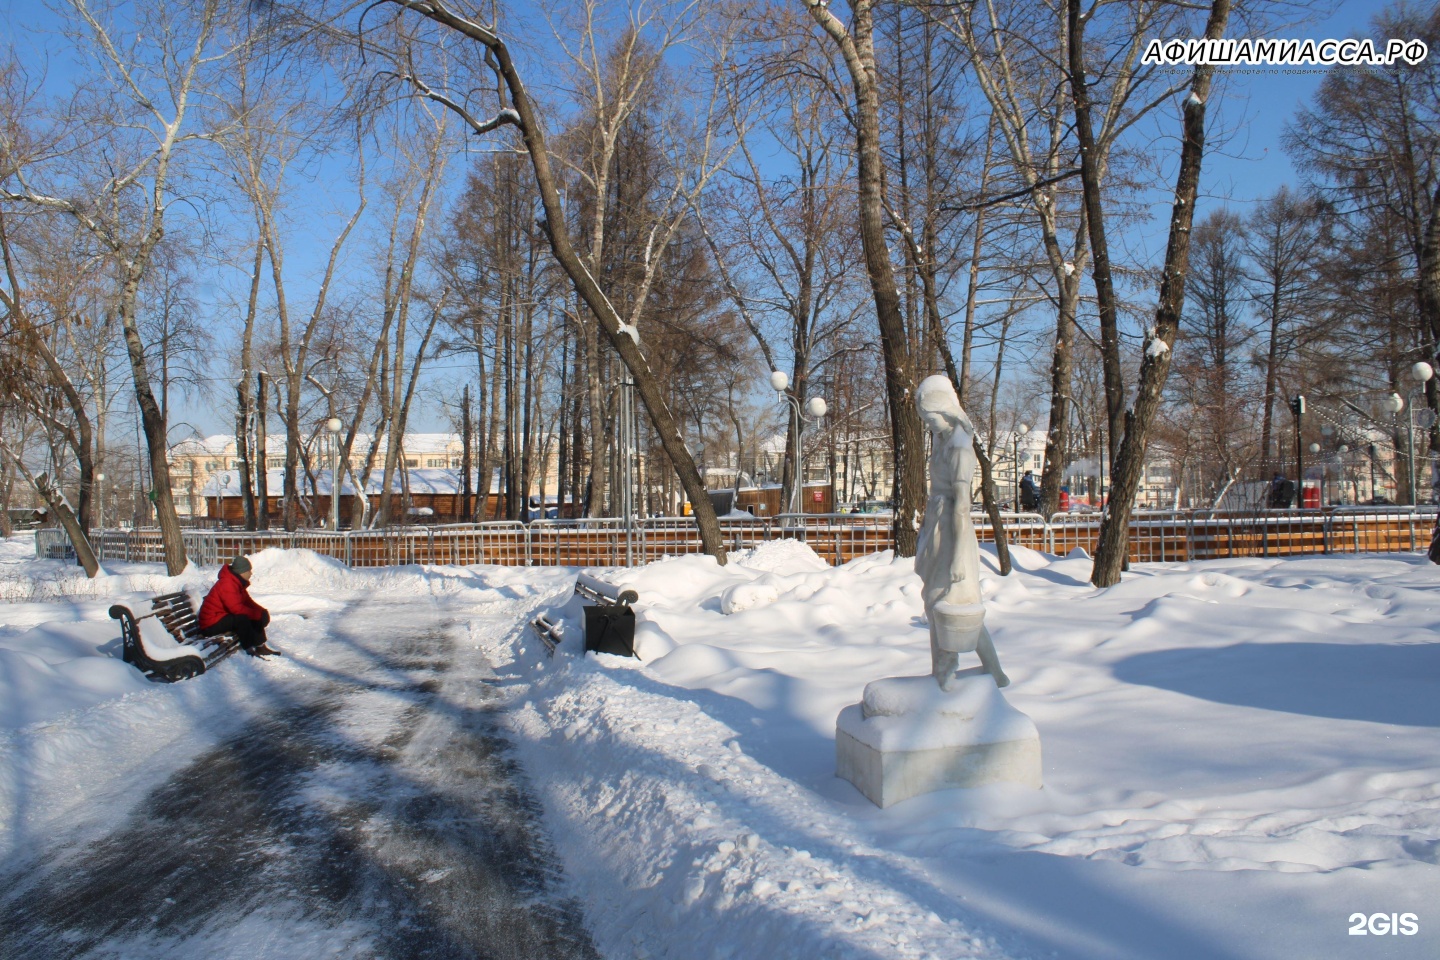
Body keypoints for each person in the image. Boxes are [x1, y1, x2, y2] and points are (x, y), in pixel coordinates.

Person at [914, 375, 1009, 690]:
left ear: (945, 410)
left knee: (942, 603)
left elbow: (963, 507)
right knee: (954, 604)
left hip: (954, 532)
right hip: (940, 525)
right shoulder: (943, 440)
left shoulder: (958, 448)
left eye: (930, 417)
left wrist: (956, 559)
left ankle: (945, 677)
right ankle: (994, 673)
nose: (929, 425)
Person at [198, 555, 279, 657]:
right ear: (242, 572)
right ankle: (249, 650)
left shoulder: (236, 582)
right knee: (242, 619)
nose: (251, 573)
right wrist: (256, 614)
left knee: (252, 615)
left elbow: (248, 602)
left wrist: (261, 612)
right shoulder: (227, 583)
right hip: (210, 624)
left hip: (221, 617)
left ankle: (260, 646)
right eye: (249, 571)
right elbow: (236, 609)